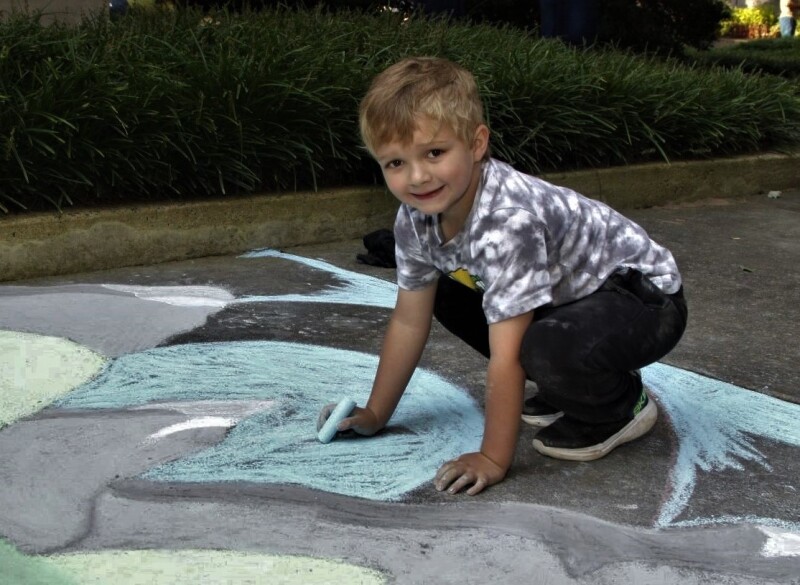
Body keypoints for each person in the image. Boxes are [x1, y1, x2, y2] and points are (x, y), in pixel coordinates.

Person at [317, 57, 688, 496]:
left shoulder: (507, 220)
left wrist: (493, 457)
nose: (417, 176)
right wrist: (377, 413)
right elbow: (408, 321)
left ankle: (620, 405)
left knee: (539, 346)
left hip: (643, 299)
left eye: (434, 153)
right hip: (574, 297)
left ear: (476, 144)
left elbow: (506, 354)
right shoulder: (414, 220)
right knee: (448, 295)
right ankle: (568, 381)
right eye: (395, 163)